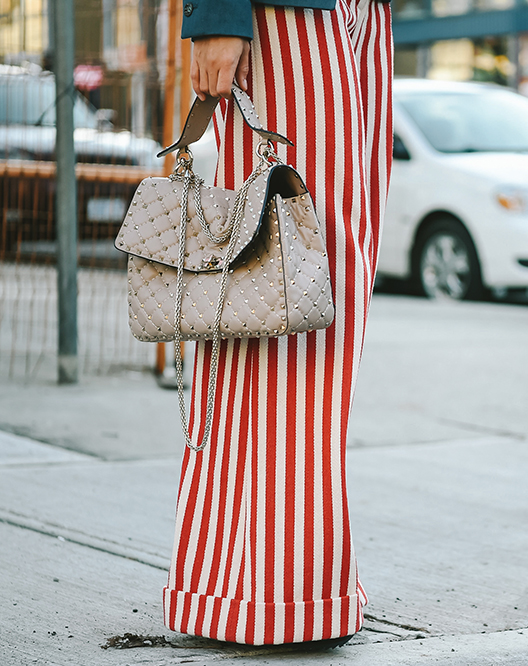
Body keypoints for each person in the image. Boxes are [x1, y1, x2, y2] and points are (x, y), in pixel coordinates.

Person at [161, 0, 393, 646]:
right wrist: (217, 14)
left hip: (363, 13)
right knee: (283, 273)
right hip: (283, 11)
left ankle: (259, 581)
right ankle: (267, 588)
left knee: (330, 279)